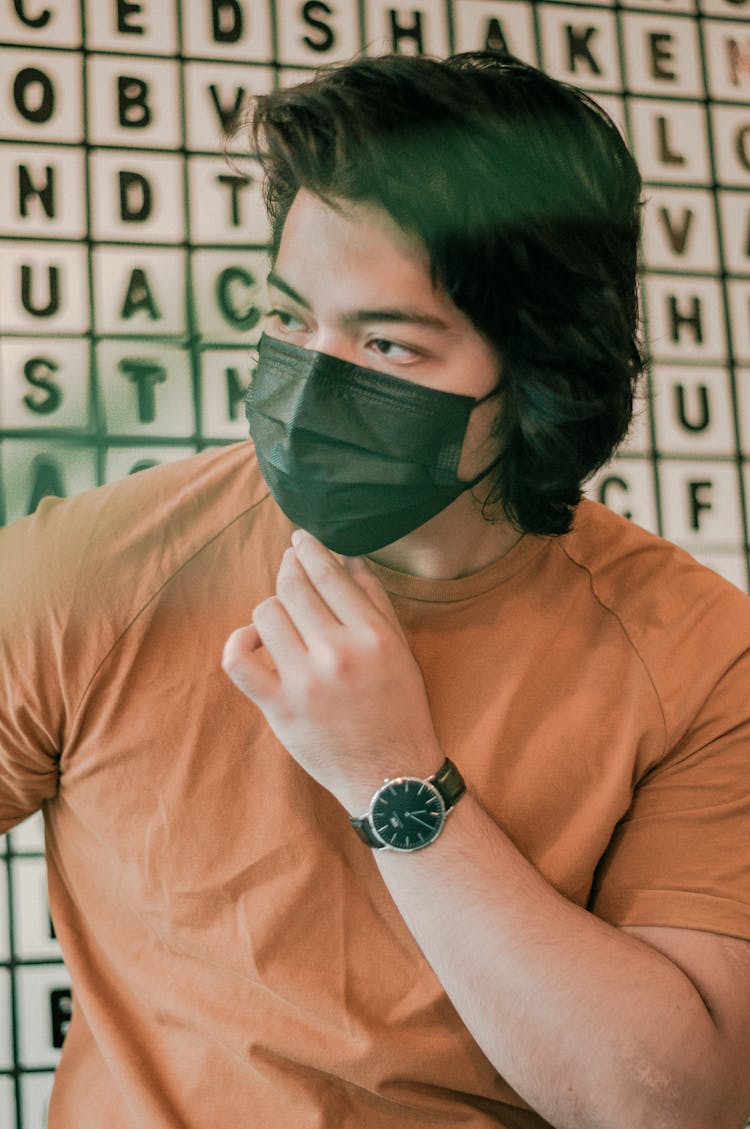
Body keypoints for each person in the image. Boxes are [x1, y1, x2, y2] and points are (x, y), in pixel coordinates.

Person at [1, 50, 749, 1129]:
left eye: (387, 343)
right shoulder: (104, 566)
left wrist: (394, 778)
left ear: (543, 375)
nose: (310, 384)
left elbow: (671, 1107)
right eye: (290, 319)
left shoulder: (700, 651)